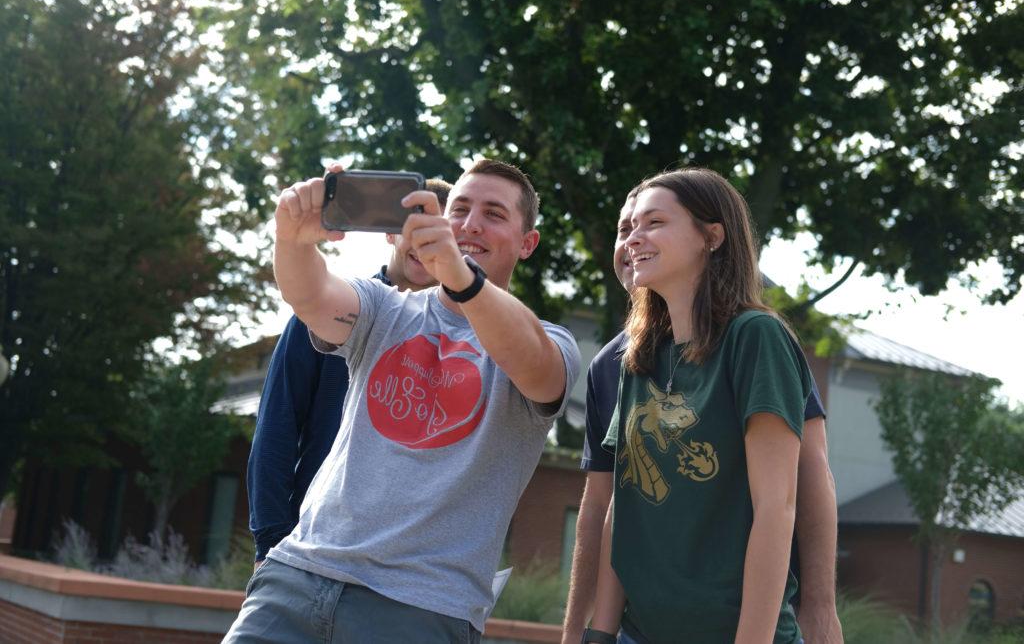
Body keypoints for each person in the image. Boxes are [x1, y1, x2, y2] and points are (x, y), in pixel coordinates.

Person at [225, 159, 581, 643]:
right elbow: (310, 296)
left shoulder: (552, 342)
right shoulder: (384, 306)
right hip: (297, 577)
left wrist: (463, 278)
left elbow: (536, 368)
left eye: (494, 214)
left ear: (527, 243)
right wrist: (292, 238)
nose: (471, 223)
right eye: (460, 209)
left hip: (420, 607)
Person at [563, 191, 842, 642]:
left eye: (653, 222)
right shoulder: (636, 355)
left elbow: (779, 506)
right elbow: (620, 505)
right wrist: (599, 631)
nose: (634, 237)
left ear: (712, 237)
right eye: (629, 226)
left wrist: (814, 613)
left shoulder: (757, 337)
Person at [246, 179, 452, 567]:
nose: (425, 244)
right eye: (415, 228)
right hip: (310, 546)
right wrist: (269, 542)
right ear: (391, 231)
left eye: (440, 234)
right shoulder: (328, 313)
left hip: (407, 567)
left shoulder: (465, 345)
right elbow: (278, 426)